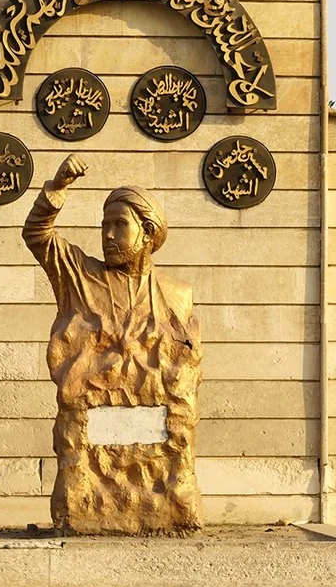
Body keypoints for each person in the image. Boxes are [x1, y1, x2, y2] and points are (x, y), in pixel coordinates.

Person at [23, 155, 203, 532]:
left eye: (119, 225)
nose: (107, 234)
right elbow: (38, 235)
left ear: (147, 232)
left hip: (158, 439)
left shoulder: (176, 294)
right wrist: (57, 187)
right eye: (104, 225)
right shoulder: (79, 276)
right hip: (87, 421)